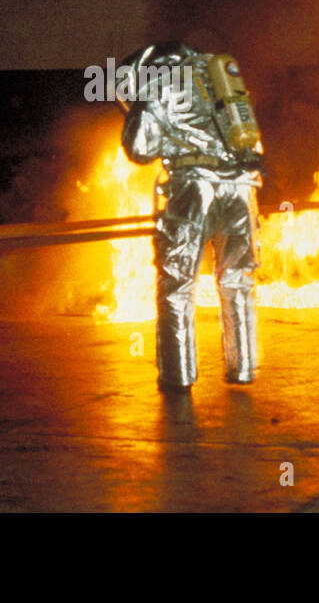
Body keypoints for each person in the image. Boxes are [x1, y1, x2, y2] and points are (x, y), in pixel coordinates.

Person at [118, 41, 264, 390]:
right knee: (238, 282)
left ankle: (178, 376)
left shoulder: (160, 81)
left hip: (194, 190)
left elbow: (139, 149)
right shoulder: (220, 77)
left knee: (177, 287)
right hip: (242, 190)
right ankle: (243, 370)